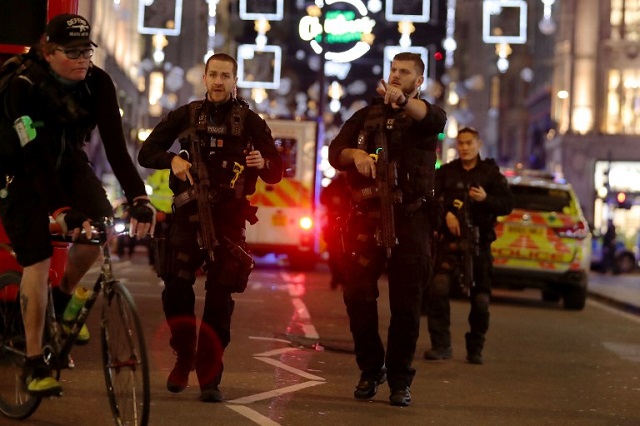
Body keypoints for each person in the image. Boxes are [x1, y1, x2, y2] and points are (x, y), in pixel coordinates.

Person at [0, 14, 156, 397]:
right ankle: (34, 365)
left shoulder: (98, 82)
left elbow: (118, 149)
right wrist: (58, 209)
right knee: (36, 259)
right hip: (18, 167)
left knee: (99, 226)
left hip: (68, 161)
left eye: (86, 51)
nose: (82, 59)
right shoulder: (22, 84)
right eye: (72, 52)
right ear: (48, 52)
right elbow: (32, 153)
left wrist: (139, 198)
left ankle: (64, 297)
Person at [138, 52, 283, 403]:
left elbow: (277, 172)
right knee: (176, 288)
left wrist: (263, 162)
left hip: (229, 219)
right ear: (204, 79)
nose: (219, 82)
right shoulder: (186, 115)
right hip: (188, 214)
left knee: (219, 300)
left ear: (235, 81)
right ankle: (183, 354)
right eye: (213, 75)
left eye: (226, 76)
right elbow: (147, 153)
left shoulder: (249, 120)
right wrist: (171, 159)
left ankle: (209, 375)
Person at [328, 52, 447, 406]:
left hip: (412, 219)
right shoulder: (367, 116)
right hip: (369, 218)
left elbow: (436, 120)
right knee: (356, 294)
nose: (397, 76)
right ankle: (370, 369)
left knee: (406, 305)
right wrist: (357, 156)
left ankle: (399, 379)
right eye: (394, 70)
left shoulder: (425, 116)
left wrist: (404, 102)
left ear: (419, 80)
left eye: (405, 72)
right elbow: (337, 151)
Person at [423, 127, 513, 365]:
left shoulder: (490, 173)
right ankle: (441, 345)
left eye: (469, 143)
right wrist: (446, 216)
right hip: (450, 243)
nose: (464, 147)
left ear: (478, 144)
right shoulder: (448, 172)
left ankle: (475, 348)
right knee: (439, 289)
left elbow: (507, 204)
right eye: (461, 143)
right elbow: (430, 199)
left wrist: (486, 199)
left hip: (478, 243)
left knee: (481, 299)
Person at [319, 171, 351, 289]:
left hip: (341, 222)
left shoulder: (338, 184)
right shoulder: (336, 185)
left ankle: (339, 278)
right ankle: (338, 278)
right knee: (335, 252)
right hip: (335, 222)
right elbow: (323, 199)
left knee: (338, 252)